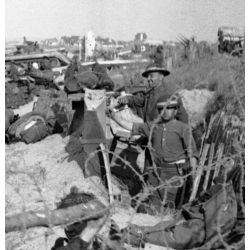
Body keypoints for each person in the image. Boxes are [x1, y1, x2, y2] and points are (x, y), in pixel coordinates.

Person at [109, 98, 199, 211]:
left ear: (176, 110)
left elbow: (192, 155)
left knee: (171, 210)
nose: (165, 111)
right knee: (150, 209)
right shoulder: (153, 126)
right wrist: (113, 116)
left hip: (175, 175)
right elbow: (132, 126)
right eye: (162, 109)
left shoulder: (183, 128)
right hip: (155, 174)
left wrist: (192, 176)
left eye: (169, 108)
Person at [51, 191, 124, 250]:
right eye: (65, 222)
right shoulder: (60, 246)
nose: (68, 228)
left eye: (75, 223)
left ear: (91, 221)